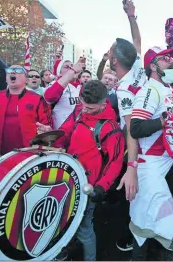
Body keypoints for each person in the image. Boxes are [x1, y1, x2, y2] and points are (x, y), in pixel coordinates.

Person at [38, 80, 125, 261]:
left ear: (103, 103)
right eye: (83, 105)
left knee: (84, 230)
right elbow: (65, 132)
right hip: (66, 180)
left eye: (90, 108)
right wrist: (51, 133)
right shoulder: (78, 110)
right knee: (59, 221)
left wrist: (101, 187)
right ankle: (60, 252)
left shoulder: (111, 127)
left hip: (88, 186)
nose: (85, 110)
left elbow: (115, 163)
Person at [129, 46, 173, 260]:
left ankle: (155, 253)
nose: (171, 61)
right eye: (165, 59)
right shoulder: (149, 90)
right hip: (151, 164)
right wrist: (169, 118)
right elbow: (135, 128)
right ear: (153, 67)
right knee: (146, 217)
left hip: (167, 163)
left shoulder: (167, 90)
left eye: (172, 58)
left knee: (158, 213)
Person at [107, 0, 144, 252]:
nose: (108, 54)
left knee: (128, 194)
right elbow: (137, 45)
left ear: (114, 62)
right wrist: (132, 16)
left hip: (135, 149)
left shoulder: (125, 90)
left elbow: (131, 130)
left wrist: (130, 165)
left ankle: (128, 237)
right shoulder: (137, 69)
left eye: (110, 52)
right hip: (149, 147)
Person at [0, 65, 53, 160]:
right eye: (9, 70)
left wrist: (47, 132)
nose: (13, 72)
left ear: (26, 80)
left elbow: (47, 127)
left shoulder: (38, 99)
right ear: (6, 78)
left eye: (18, 70)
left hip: (30, 157)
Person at [44, 57, 83, 130]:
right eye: (67, 67)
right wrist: (72, 71)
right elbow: (49, 97)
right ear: (60, 72)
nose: (71, 68)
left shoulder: (82, 86)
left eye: (72, 66)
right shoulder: (54, 84)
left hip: (78, 131)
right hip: (61, 132)